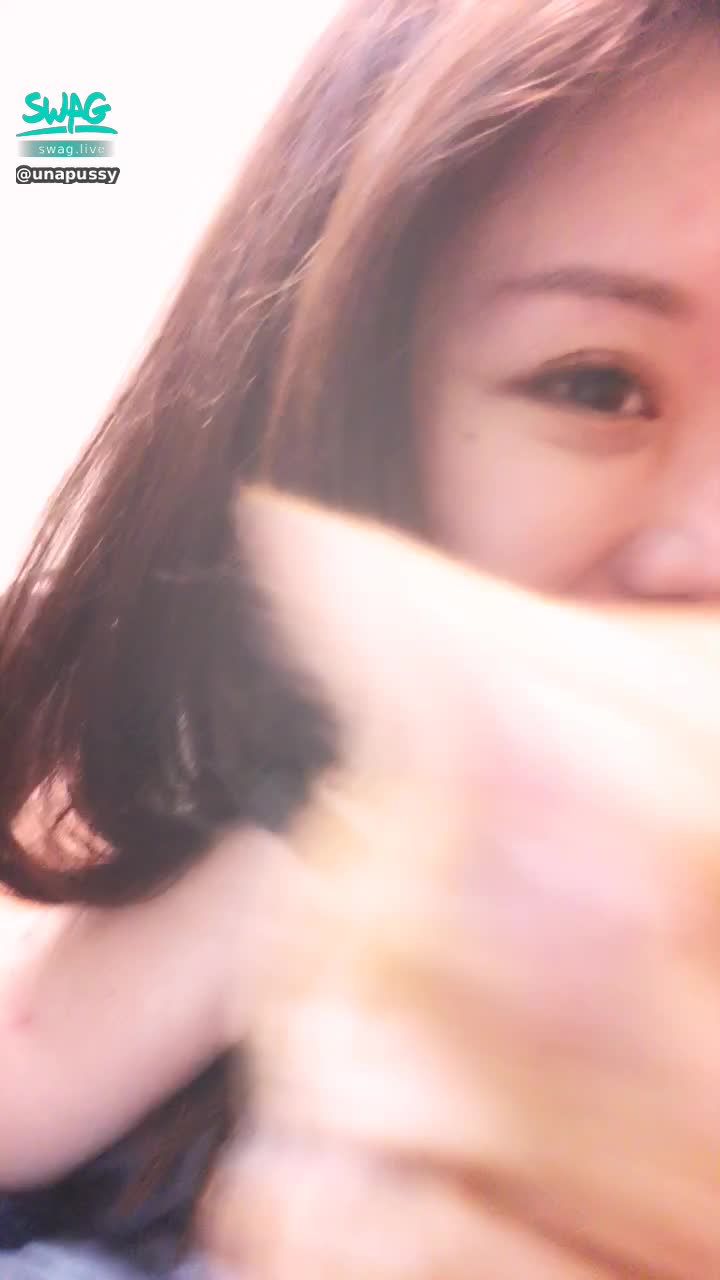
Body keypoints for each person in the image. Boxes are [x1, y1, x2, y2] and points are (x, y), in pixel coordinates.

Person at [2, 0, 720, 1268]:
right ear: (347, 421)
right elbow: (30, 1086)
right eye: (595, 383)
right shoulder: (336, 846)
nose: (704, 544)